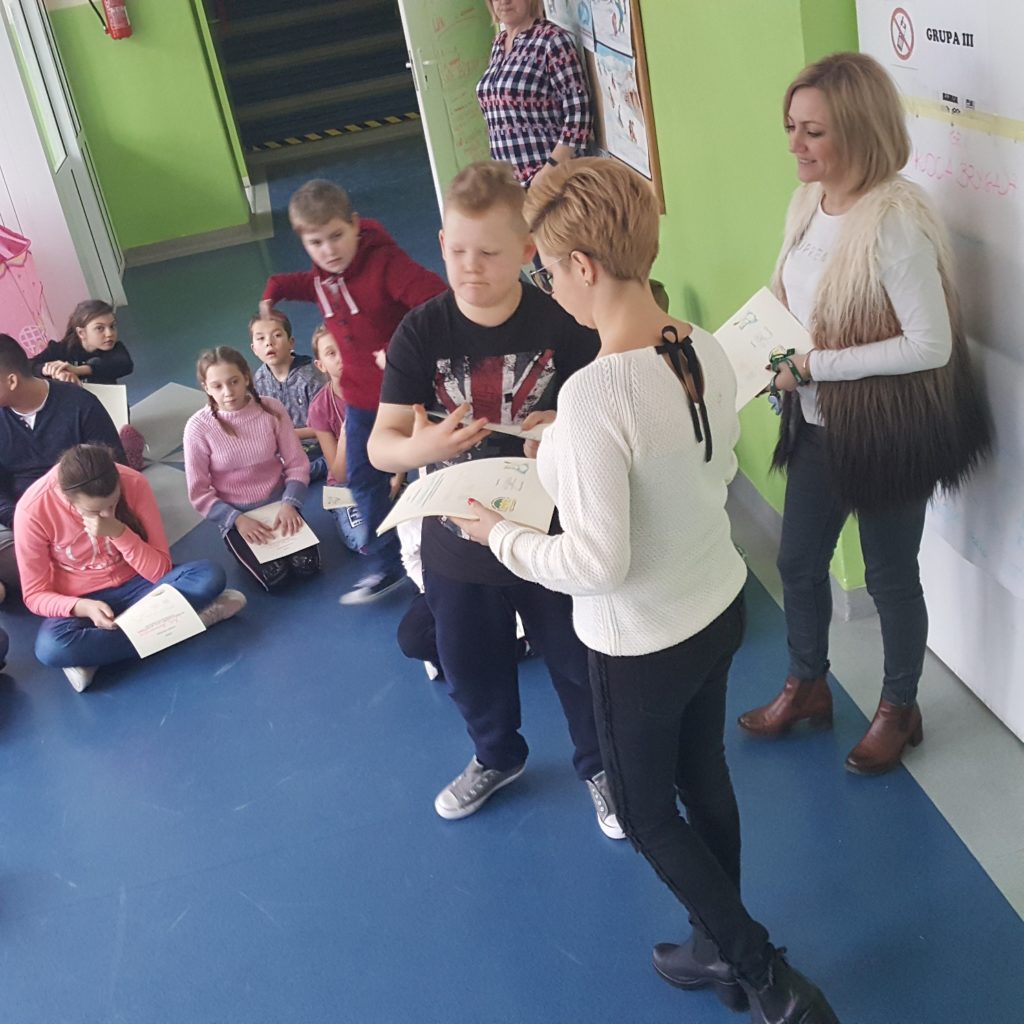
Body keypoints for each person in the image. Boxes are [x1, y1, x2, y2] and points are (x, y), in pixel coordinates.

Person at [453, 157, 840, 1023]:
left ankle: (766, 977)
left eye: (549, 271)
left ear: (583, 265)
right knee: (704, 776)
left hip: (641, 642)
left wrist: (498, 536)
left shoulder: (595, 394)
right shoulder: (697, 345)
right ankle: (714, 945)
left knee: (641, 807)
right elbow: (685, 459)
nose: (551, 287)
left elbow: (597, 563)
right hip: (716, 605)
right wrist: (562, 443)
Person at [737, 52, 990, 776]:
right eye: (791, 126)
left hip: (887, 433)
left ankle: (898, 708)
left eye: (813, 131)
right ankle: (807, 685)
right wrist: (757, 351)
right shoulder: (807, 203)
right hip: (816, 425)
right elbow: (790, 298)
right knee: (797, 561)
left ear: (860, 131)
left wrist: (815, 365)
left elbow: (930, 344)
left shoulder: (896, 222)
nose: (795, 144)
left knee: (889, 577)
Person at [368, 160, 621, 840]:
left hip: (549, 529)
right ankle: (496, 756)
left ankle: (600, 766)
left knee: (575, 658)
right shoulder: (422, 331)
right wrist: (422, 447)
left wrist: (564, 419)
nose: (470, 268)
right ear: (441, 241)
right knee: (469, 662)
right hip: (457, 534)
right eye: (456, 250)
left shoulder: (562, 320)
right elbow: (382, 446)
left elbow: (603, 407)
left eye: (488, 253)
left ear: (528, 251)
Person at [260, 178, 446, 604]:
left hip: (407, 394)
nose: (328, 250)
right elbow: (310, 285)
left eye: (336, 236)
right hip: (362, 400)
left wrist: (402, 349)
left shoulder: (384, 264)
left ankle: (449, 552)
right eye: (316, 243)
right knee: (361, 477)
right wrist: (276, 289)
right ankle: (387, 564)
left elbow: (437, 300)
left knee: (432, 470)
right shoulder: (325, 275)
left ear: (356, 225)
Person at [15, 444, 245, 692]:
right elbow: (35, 594)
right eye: (94, 510)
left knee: (208, 576)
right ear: (67, 498)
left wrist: (119, 533)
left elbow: (160, 571)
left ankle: (96, 657)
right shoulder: (33, 510)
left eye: (113, 504)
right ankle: (193, 620)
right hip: (86, 603)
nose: (107, 514)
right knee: (51, 648)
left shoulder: (133, 482)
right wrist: (82, 607)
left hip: (142, 586)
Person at [0, 334, 124, 600]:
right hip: (27, 518)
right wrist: (25, 522)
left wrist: (74, 517)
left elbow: (112, 469)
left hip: (84, 509)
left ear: (11, 381)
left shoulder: (79, 404)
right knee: (22, 568)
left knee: (117, 538)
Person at [184, 347, 318, 592]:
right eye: (217, 386)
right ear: (206, 387)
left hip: (279, 506)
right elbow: (199, 493)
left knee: (307, 568)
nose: (228, 392)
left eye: (234, 381)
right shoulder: (197, 428)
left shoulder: (271, 409)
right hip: (238, 516)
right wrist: (236, 520)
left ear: (246, 377)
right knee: (275, 580)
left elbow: (297, 464)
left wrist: (290, 503)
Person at [476, 1, 592, 187]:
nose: (504, 1)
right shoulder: (499, 43)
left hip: (551, 181)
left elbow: (579, 114)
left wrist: (548, 172)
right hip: (510, 185)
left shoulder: (552, 40)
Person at [30, 300, 145, 469]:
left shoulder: (115, 350)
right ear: (81, 332)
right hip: (73, 413)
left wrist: (78, 370)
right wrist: (51, 370)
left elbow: (124, 364)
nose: (109, 334)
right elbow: (30, 366)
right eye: (100, 328)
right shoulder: (60, 350)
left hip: (109, 408)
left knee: (110, 445)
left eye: (112, 326)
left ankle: (127, 453)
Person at [305, 324, 366, 553]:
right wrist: (347, 434)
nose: (341, 357)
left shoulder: (377, 389)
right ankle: (341, 512)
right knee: (365, 540)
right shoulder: (320, 407)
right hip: (347, 485)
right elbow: (339, 473)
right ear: (320, 365)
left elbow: (400, 443)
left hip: (384, 474)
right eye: (331, 353)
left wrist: (397, 480)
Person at [250, 311, 328, 482]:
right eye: (261, 338)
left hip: (318, 446)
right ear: (254, 349)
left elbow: (327, 427)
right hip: (282, 448)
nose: (269, 343)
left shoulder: (311, 377)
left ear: (291, 342)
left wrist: (288, 434)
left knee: (306, 469)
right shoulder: (260, 379)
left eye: (277, 335)